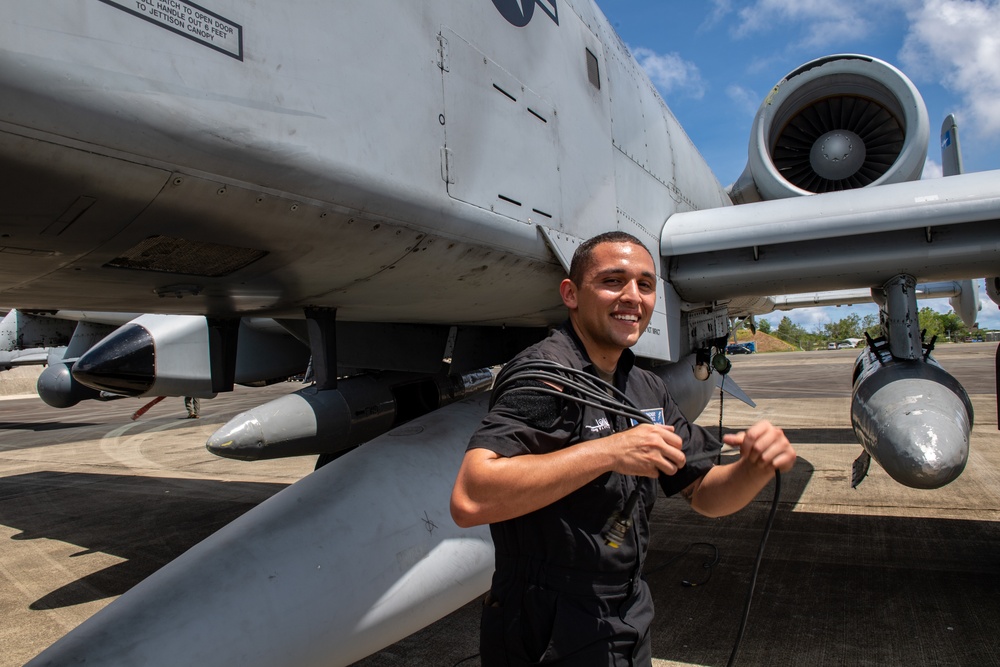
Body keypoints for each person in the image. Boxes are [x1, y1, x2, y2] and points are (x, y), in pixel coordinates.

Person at [450, 231, 796, 666]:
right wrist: (611, 452)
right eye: (613, 281)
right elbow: (471, 497)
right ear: (571, 294)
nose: (633, 296)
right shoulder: (543, 377)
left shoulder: (644, 386)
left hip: (627, 611)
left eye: (645, 285)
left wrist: (753, 468)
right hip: (545, 623)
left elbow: (704, 493)